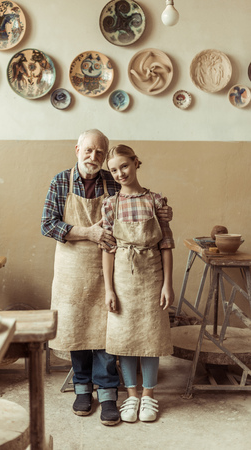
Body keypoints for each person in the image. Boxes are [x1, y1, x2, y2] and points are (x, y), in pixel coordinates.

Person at [41, 130, 173, 426]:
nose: (94, 157)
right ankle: (83, 389)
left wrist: (163, 212)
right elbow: (48, 225)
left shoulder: (112, 181)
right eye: (89, 151)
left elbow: (138, 206)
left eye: (100, 153)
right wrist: (87, 232)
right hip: (73, 267)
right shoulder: (61, 181)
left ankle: (109, 393)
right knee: (77, 327)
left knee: (106, 330)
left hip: (110, 267)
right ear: (77, 149)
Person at [101, 144, 174, 423]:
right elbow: (108, 249)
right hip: (122, 277)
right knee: (125, 338)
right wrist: (109, 288)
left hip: (152, 275)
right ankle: (131, 395)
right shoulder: (110, 204)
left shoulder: (156, 201)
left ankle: (149, 396)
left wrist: (167, 284)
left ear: (136, 162)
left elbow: (166, 244)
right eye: (114, 170)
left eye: (124, 166)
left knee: (150, 336)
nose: (120, 173)